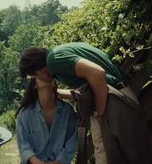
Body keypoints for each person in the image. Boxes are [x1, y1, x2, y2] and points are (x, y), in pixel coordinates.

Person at [18, 42, 151, 164]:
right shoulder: (62, 53)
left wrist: (100, 113)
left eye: (33, 76)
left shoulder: (54, 60)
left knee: (106, 156)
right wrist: (54, 93)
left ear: (38, 69)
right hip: (121, 96)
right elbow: (87, 88)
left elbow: (97, 74)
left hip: (112, 100)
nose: (35, 80)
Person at [16, 77, 78, 164]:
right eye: (40, 74)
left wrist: (58, 162)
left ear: (54, 83)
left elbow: (72, 142)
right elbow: (24, 146)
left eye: (49, 74)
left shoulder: (67, 111)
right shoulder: (25, 114)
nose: (45, 75)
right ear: (34, 85)